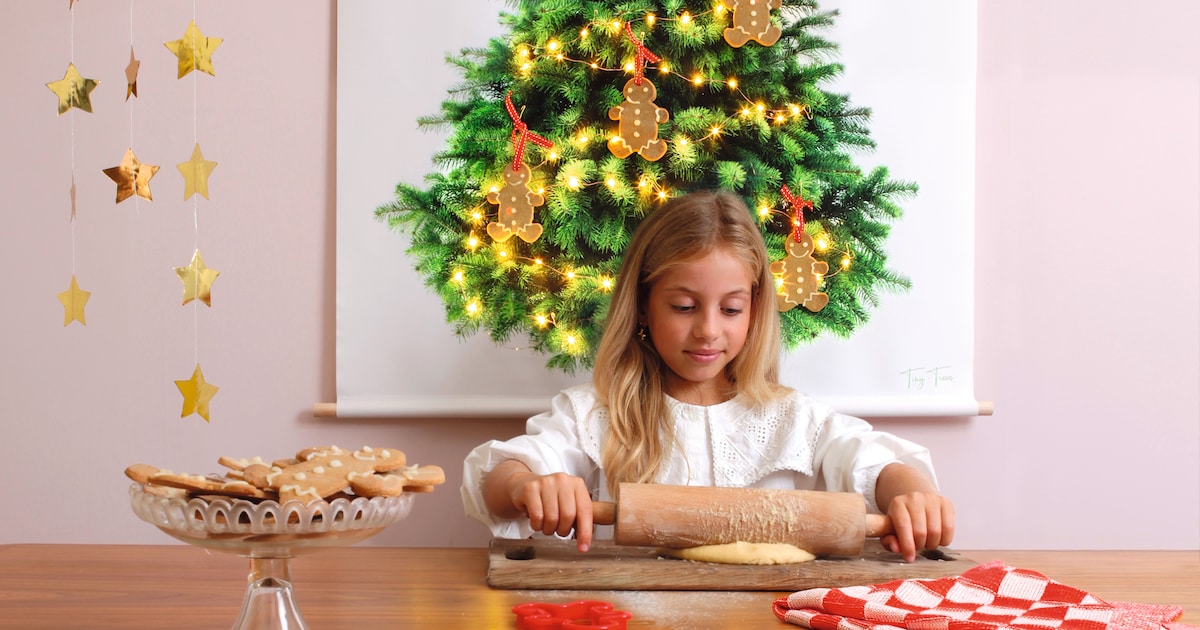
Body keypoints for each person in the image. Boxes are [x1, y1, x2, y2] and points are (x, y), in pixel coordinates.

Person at [461, 190, 954, 562]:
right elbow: (501, 477)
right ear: (642, 306)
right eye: (683, 306)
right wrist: (529, 486)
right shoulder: (597, 413)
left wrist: (913, 495)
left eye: (732, 308)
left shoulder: (791, 418)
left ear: (755, 310)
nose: (708, 331)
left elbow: (872, 460)